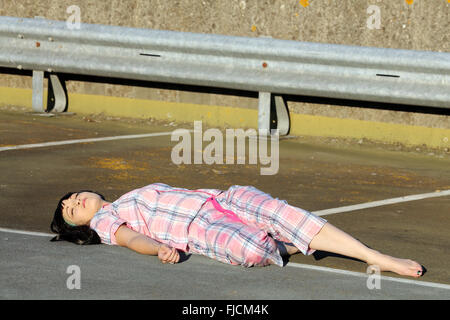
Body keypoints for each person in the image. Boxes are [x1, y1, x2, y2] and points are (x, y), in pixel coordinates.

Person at [50, 183, 423, 278]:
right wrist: (157, 248)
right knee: (251, 250)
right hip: (201, 228)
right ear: (78, 227)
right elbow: (130, 238)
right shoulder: (103, 223)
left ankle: (377, 258)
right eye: (69, 211)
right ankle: (292, 243)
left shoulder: (128, 195)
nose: (73, 202)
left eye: (74, 196)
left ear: (94, 191)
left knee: (281, 213)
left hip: (222, 199)